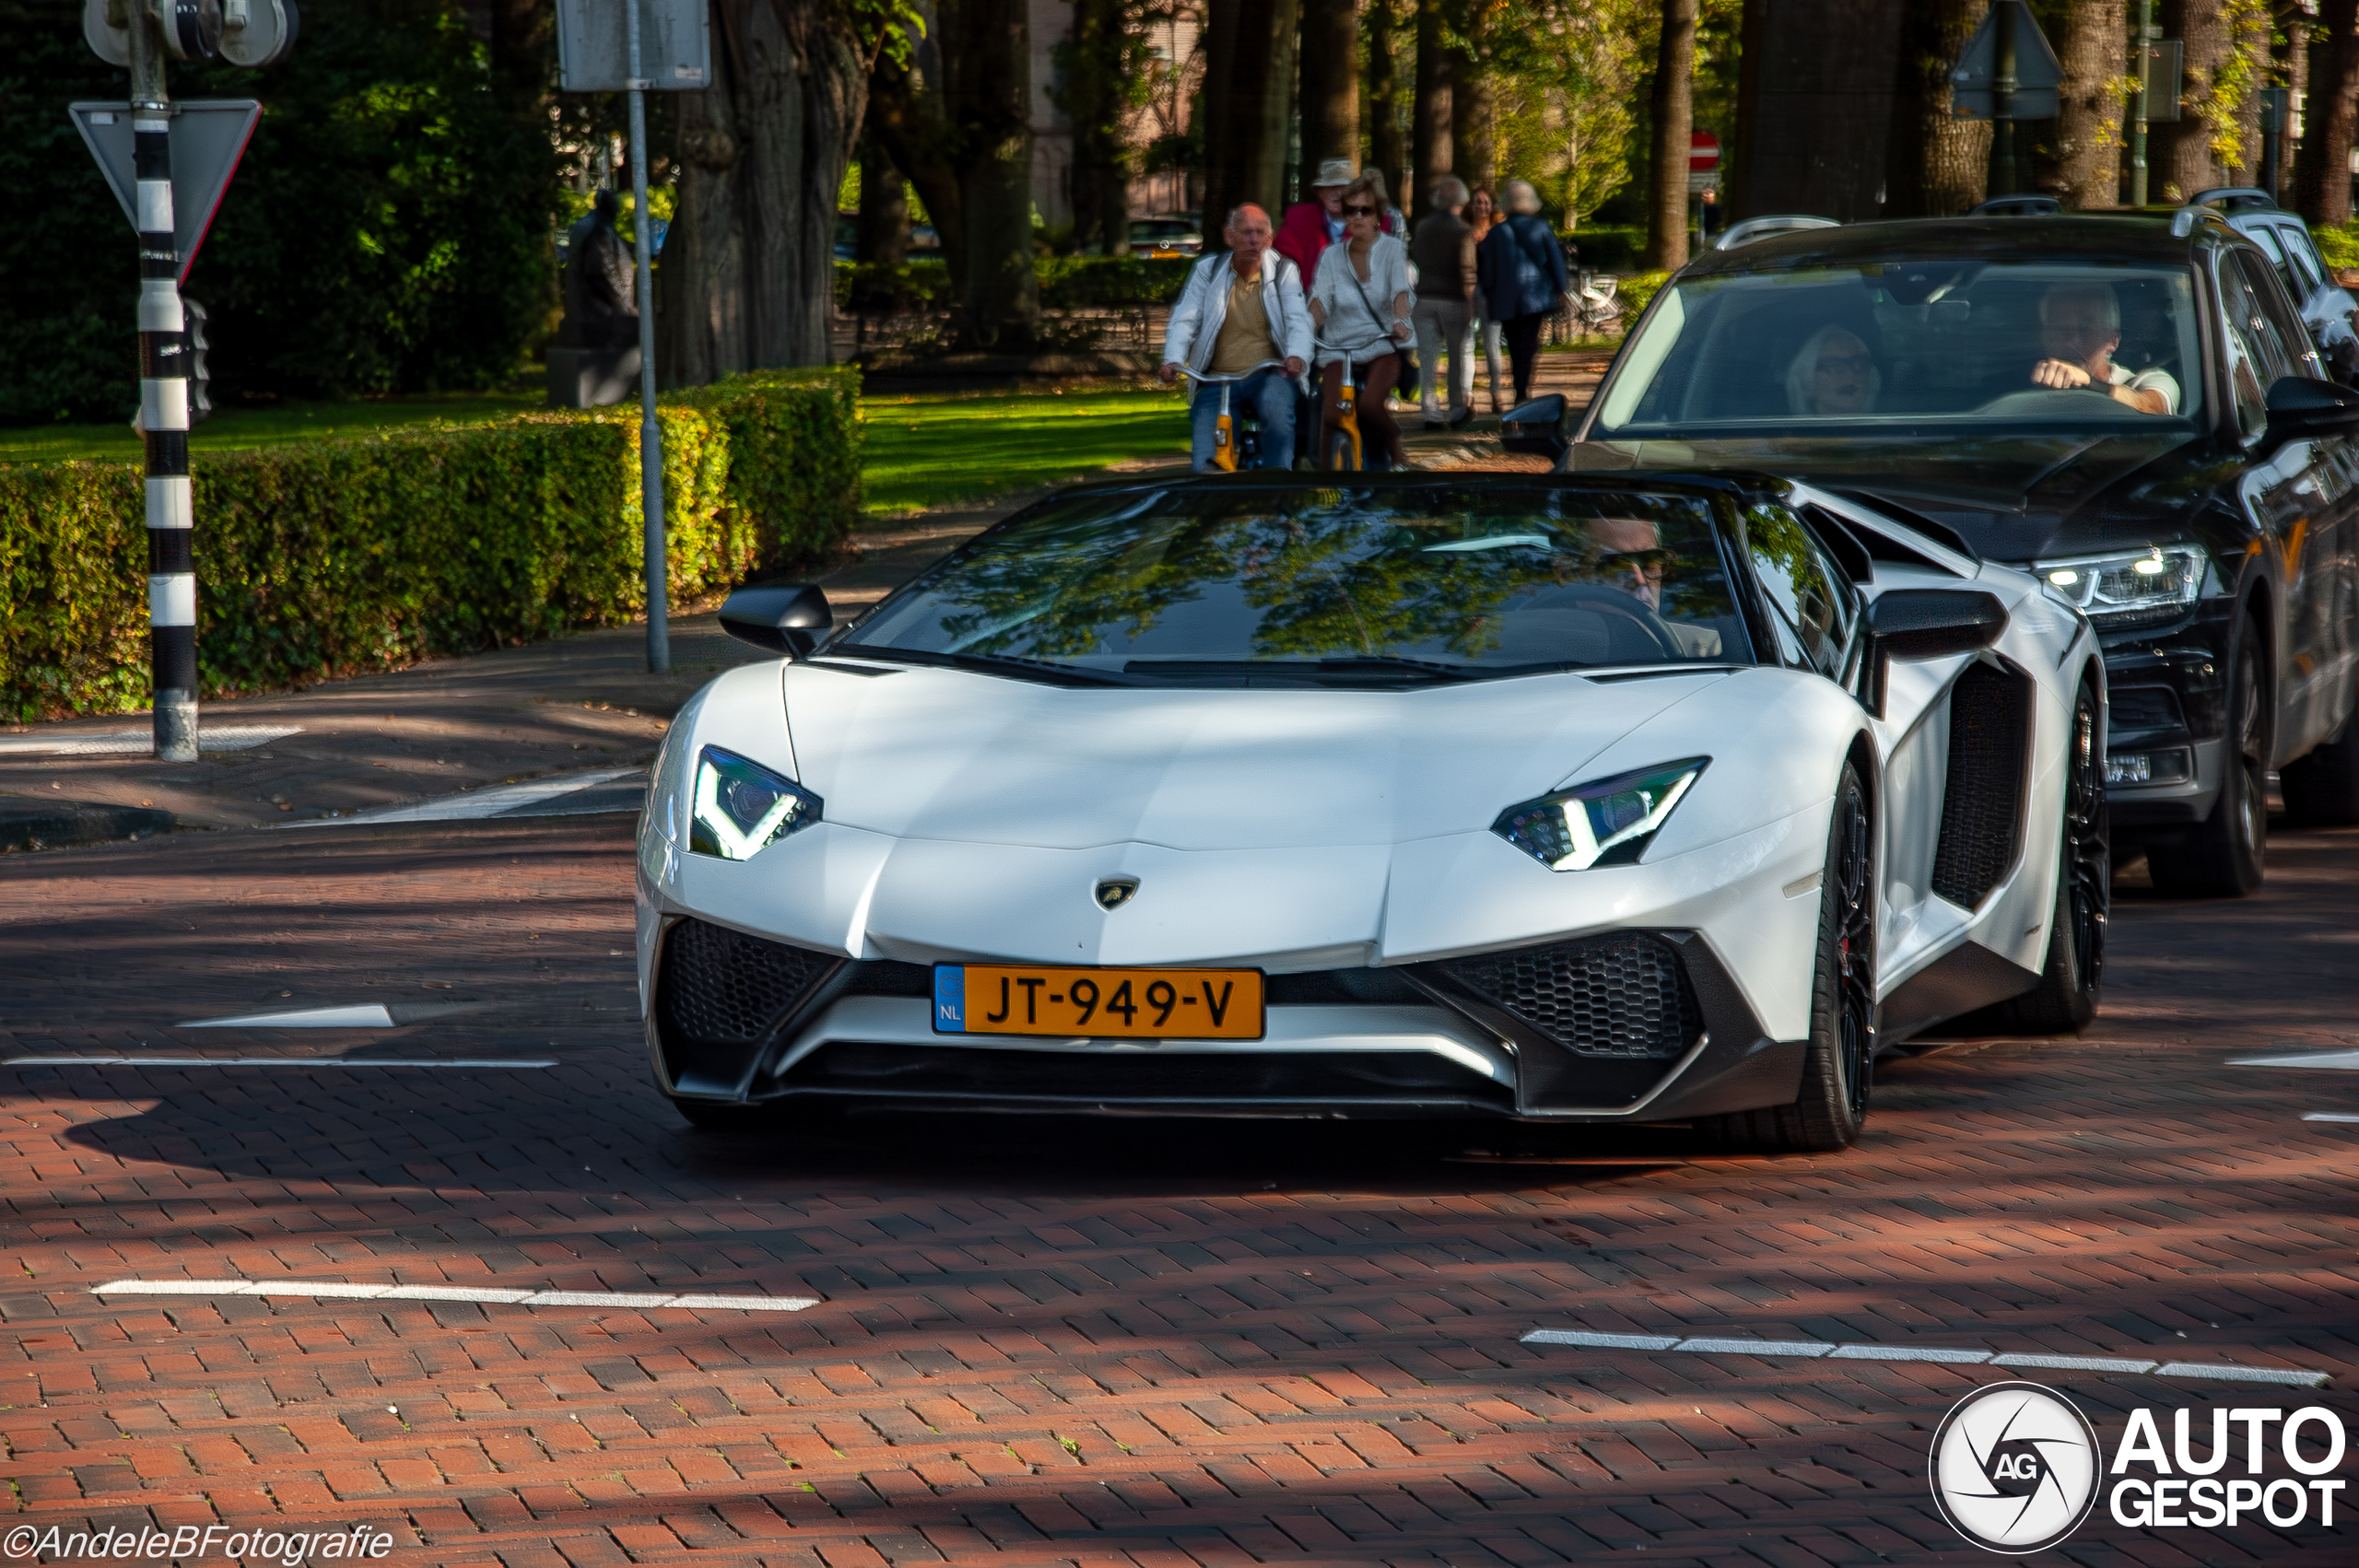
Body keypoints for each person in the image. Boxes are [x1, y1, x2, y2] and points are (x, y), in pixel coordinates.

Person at [1159, 205, 1311, 471]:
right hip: (1217, 379)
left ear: (1270, 238)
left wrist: (1297, 355)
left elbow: (1298, 319)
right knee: (1205, 458)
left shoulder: (1284, 272)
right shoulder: (1207, 270)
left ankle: (1279, 488)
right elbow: (1185, 318)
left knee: (1278, 415)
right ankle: (1214, 501)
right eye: (1245, 232)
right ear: (1229, 236)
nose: (1253, 239)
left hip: (1268, 374)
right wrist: (1172, 359)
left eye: (1259, 232)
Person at [1309, 172, 1415, 469]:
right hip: (1340, 344)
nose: (1356, 216)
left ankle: (1398, 454)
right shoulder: (1330, 256)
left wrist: (1400, 319)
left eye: (1364, 210)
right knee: (1330, 416)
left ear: (1377, 215)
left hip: (1382, 344)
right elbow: (1320, 298)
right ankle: (1323, 482)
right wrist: (1307, 326)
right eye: (1350, 210)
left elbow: (1400, 291)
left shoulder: (1392, 250)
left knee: (1369, 406)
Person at [1476, 180, 1567, 406]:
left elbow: (1486, 270)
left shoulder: (1496, 233)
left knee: (1514, 345)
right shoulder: (1542, 228)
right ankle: (1523, 391)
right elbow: (1556, 263)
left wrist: (1488, 293)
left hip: (1506, 299)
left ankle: (1520, 388)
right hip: (1536, 297)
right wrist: (1561, 289)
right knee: (1529, 344)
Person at [2030, 283, 2177, 413]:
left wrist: (2089, 383)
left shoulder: (2149, 380)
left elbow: (2152, 408)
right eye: (2060, 329)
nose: (2071, 340)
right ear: (2044, 338)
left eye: (2084, 329)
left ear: (2113, 340)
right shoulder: (2025, 387)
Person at [1410, 175, 1478, 428]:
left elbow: (1416, 256)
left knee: (1428, 358)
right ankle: (1457, 409)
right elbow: (1467, 269)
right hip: (1454, 299)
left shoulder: (1423, 227)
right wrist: (1470, 300)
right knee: (1456, 358)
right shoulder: (1463, 231)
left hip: (1425, 297)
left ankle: (1430, 412)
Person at [1276, 158, 1402, 282]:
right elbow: (1283, 261)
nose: (1337, 193)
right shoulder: (1299, 220)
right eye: (1330, 187)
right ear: (1320, 193)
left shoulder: (1376, 221)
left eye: (1343, 187)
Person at [1466, 188, 1508, 414]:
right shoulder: (1464, 232)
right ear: (1470, 206)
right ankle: (1466, 397)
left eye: (1485, 202)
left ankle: (1496, 393)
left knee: (1492, 345)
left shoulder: (1498, 232)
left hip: (1490, 295)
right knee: (1466, 345)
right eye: (1477, 202)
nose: (1482, 206)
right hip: (1467, 293)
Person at [1785, 325, 1879, 415]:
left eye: (1860, 364)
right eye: (1833, 365)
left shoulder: (1889, 427)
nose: (1850, 375)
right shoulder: (1787, 431)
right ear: (1806, 380)